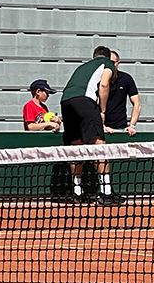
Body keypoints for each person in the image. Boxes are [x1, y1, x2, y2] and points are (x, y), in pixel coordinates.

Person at [60, 46, 124, 204]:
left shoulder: (83, 67)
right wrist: (102, 111)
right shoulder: (107, 63)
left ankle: (77, 192)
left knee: (77, 146)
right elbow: (103, 85)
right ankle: (106, 193)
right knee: (99, 145)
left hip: (66, 102)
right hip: (84, 102)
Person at [105, 50, 141, 136]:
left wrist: (132, 126)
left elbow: (137, 104)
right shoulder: (98, 80)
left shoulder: (126, 79)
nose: (109, 66)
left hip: (121, 128)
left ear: (118, 63)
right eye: (107, 63)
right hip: (103, 128)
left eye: (112, 62)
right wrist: (101, 126)